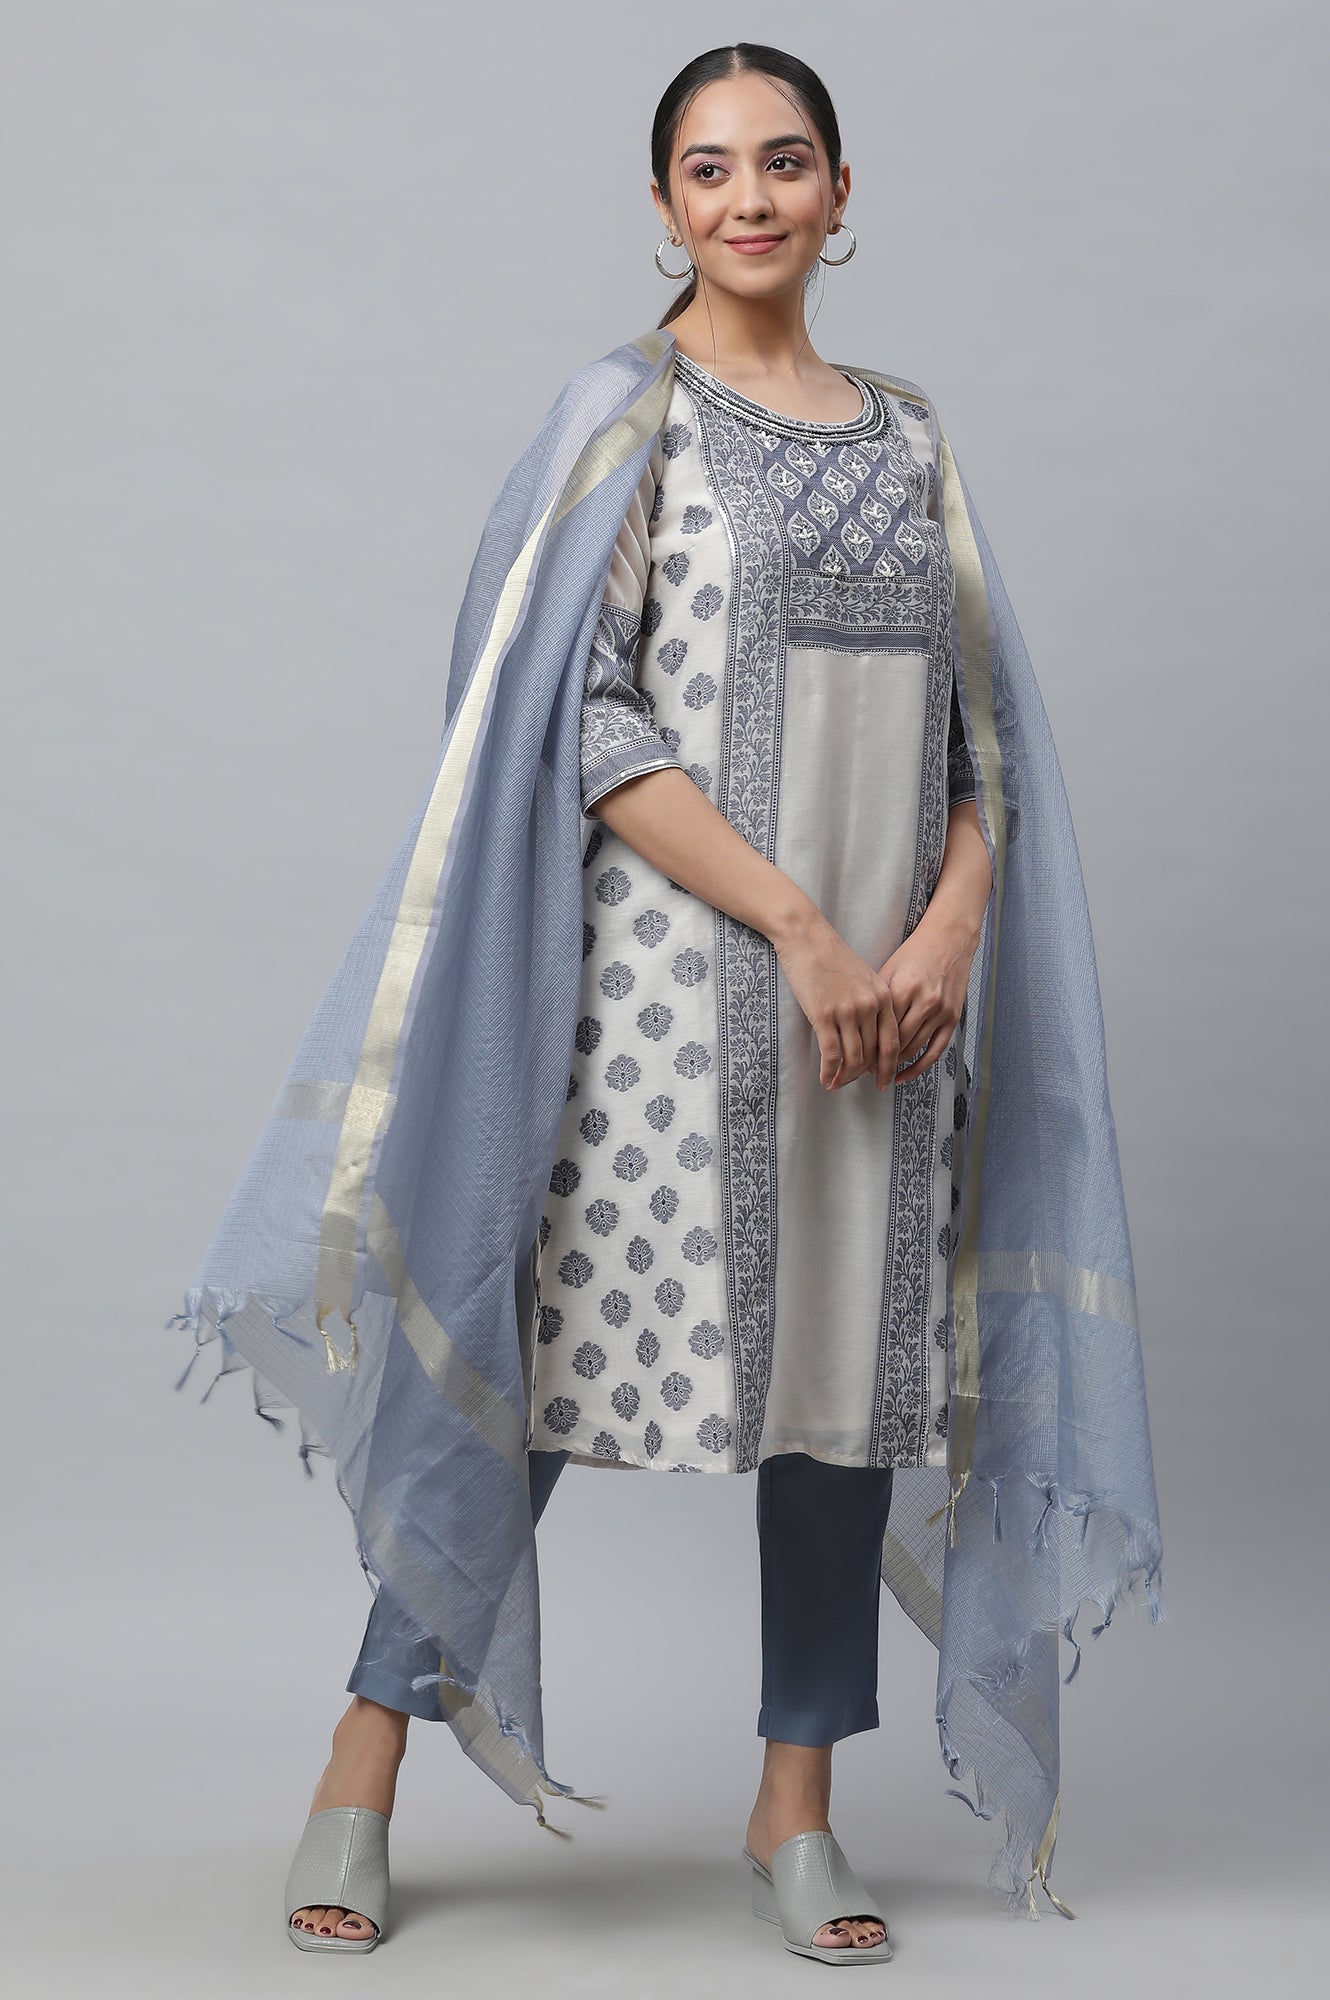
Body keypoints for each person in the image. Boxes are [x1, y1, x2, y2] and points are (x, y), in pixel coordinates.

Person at [175, 39, 1163, 1964]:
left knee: (844, 1393)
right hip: (667, 998)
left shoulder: (910, 439)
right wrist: (795, 925)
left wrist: (946, 933)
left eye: (783, 162)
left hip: (888, 1008)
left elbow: (984, 739)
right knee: (532, 1365)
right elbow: (576, 710)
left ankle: (797, 1803)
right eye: (707, 170)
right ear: (661, 205)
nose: (748, 199)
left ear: (841, 190)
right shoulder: (624, 419)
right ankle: (363, 1755)